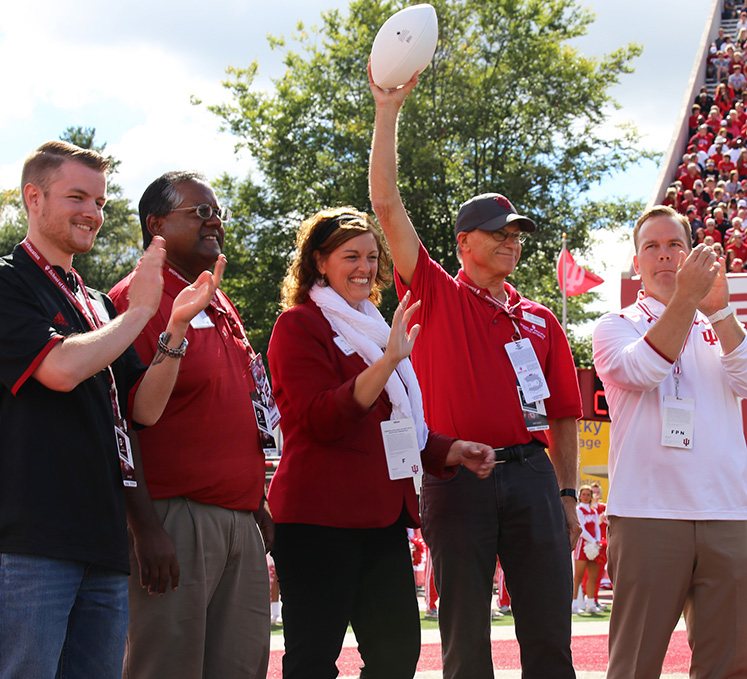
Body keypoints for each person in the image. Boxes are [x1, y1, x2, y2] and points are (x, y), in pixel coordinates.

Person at [368, 70, 583, 679]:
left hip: (534, 476)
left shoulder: (540, 317)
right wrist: (388, 111)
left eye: (517, 234)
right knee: (465, 634)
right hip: (458, 475)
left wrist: (566, 494)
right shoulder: (436, 293)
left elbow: (564, 413)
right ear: (464, 242)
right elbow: (386, 204)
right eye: (499, 233)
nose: (512, 243)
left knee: (549, 630)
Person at [0, 142, 219, 679]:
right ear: (33, 197)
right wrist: (142, 310)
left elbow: (141, 410)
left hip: (102, 541)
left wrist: (172, 330)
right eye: (77, 197)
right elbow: (58, 369)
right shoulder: (7, 279)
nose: (93, 214)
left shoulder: (95, 302)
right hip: (31, 543)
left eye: (99, 201)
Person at [266, 207, 495, 679]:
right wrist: (390, 359)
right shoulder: (299, 326)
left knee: (396, 656)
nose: (365, 268)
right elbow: (321, 418)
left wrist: (450, 450)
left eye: (372, 257)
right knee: (312, 659)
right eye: (351, 256)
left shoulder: (372, 324)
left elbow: (393, 425)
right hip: (317, 521)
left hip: (382, 520)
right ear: (318, 261)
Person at [109, 171, 271, 679]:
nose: (214, 220)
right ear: (156, 225)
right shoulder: (138, 297)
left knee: (240, 668)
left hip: (237, 515)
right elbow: (125, 420)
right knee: (169, 668)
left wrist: (257, 505)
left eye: (217, 211)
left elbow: (239, 406)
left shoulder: (217, 296)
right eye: (199, 211)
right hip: (174, 517)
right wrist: (145, 527)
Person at [592, 205, 747, 679]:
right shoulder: (614, 325)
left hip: (727, 513)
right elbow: (643, 370)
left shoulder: (718, 325)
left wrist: (719, 309)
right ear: (636, 263)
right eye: (652, 247)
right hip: (648, 515)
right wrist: (687, 299)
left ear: (692, 253)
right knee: (636, 665)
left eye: (675, 245)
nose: (665, 256)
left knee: (730, 666)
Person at [571, 485, 601, 615]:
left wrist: (598, 541)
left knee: (592, 577)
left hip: (593, 546)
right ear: (580, 496)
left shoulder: (593, 511)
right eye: (583, 494)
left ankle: (591, 604)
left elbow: (597, 528)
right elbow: (581, 528)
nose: (586, 497)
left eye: (588, 495)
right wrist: (592, 541)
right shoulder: (578, 510)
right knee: (578, 577)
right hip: (582, 546)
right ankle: (573, 604)